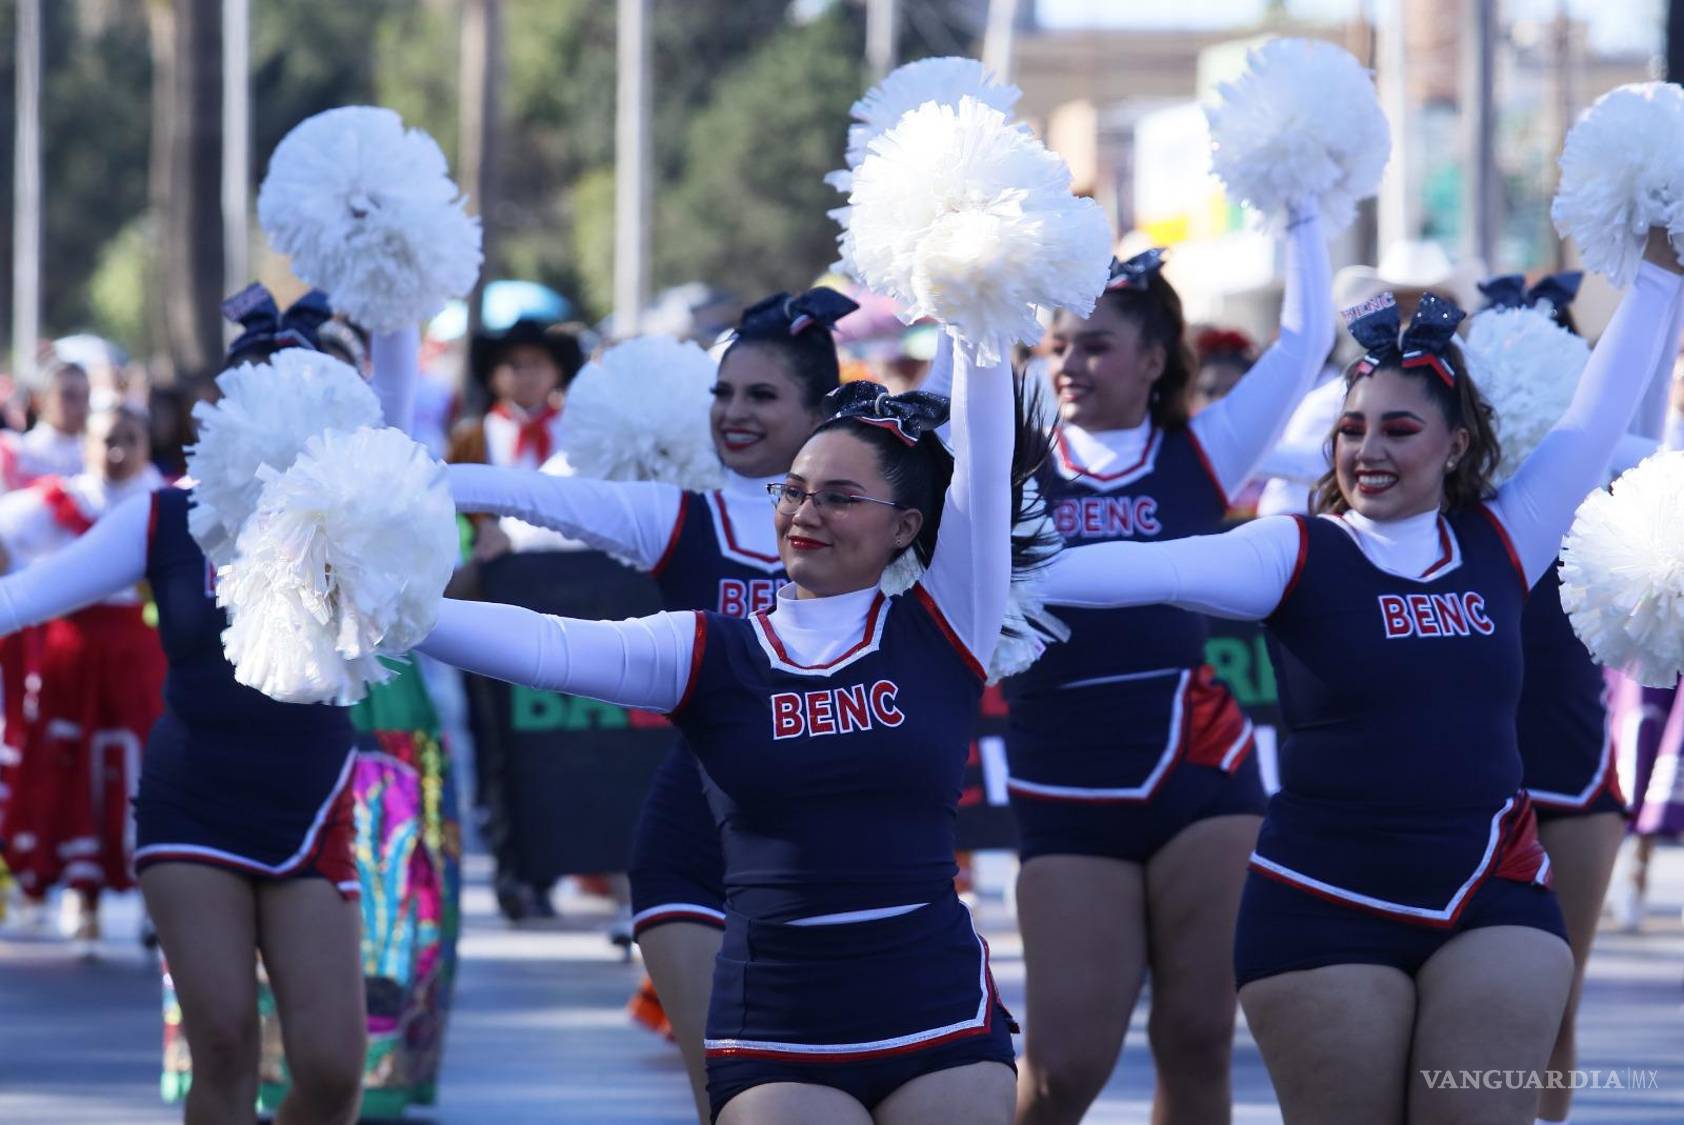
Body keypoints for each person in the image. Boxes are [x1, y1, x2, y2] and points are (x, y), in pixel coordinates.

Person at [1028, 231, 1683, 1122]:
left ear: (1456, 444)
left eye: (1398, 429)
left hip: (1489, 890)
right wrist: (969, 573)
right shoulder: (1297, 550)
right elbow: (1149, 567)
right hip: (1326, 904)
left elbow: (1597, 412)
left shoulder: (1505, 538)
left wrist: (1657, 271)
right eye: (1351, 428)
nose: (1367, 450)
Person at [412, 336, 1037, 1123]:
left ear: (906, 525)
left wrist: (978, 295)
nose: (806, 514)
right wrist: (384, 603)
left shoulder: (950, 621)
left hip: (937, 1007)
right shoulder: (709, 649)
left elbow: (983, 440)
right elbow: (547, 645)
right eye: (794, 491)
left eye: (839, 497)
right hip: (782, 1021)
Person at [446, 287, 855, 1122]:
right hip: (693, 842)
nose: (734, 414)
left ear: (819, 409)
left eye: (761, 395)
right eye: (722, 394)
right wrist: (371, 488)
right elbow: (528, 495)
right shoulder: (676, 515)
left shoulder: (873, 525)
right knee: (733, 1103)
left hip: (838, 854)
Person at [1003, 209, 1330, 1125]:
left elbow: (1305, 341)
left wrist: (1300, 201)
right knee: (1064, 1067)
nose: (1070, 362)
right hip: (1064, 775)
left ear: (1153, 360)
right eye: (1060, 342)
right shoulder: (1009, 457)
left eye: (1097, 345)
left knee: (1196, 1039)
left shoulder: (1203, 450)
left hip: (1201, 768)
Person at [157, 282, 463, 1119]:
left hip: (314, 804)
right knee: (222, 1044)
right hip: (194, 803)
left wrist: (394, 263)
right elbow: (30, 594)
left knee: (332, 1072)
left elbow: (395, 418)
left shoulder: (359, 513)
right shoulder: (166, 515)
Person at [0, 405, 164, 944]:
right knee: (69, 767)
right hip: (72, 659)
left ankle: (153, 896)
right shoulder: (62, 502)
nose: (117, 452)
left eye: (129, 439)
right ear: (87, 445)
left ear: (147, 442)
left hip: (139, 660)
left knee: (146, 772)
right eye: (107, 440)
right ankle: (80, 888)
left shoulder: (168, 500)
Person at [1, 360, 90, 487]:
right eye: (68, 395)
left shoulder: (99, 456)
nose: (80, 406)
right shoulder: (19, 453)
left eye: (85, 396)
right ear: (41, 399)